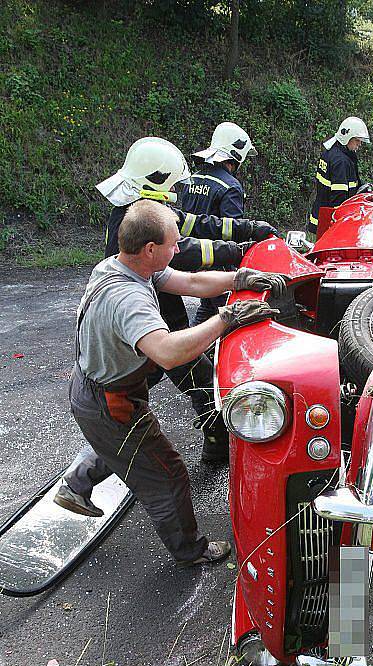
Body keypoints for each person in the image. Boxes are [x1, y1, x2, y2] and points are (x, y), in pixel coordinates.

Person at [53, 200, 285, 567]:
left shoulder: (125, 267)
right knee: (167, 473)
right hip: (110, 403)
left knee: (125, 449)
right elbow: (168, 352)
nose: (178, 249)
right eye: (173, 244)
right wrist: (227, 320)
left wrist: (240, 278)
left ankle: (74, 485)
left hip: (96, 391)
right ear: (149, 248)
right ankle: (190, 551)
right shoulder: (128, 298)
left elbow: (190, 281)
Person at [96, 136, 277, 462]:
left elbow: (194, 226)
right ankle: (216, 447)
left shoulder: (142, 209)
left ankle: (215, 445)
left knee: (146, 391)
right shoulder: (137, 225)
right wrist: (239, 253)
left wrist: (247, 230)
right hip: (148, 324)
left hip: (156, 318)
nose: (172, 197)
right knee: (197, 384)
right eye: (168, 190)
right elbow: (186, 254)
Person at [180, 122, 256, 325]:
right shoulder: (231, 186)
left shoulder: (193, 179)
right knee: (230, 316)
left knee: (206, 307)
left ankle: (196, 350)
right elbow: (233, 230)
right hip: (218, 262)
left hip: (192, 256)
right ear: (236, 155)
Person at [307, 117, 370, 240]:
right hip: (331, 222)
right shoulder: (341, 161)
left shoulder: (330, 152)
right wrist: (341, 224)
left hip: (320, 216)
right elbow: (339, 196)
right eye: (357, 140)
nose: (359, 144)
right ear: (347, 137)